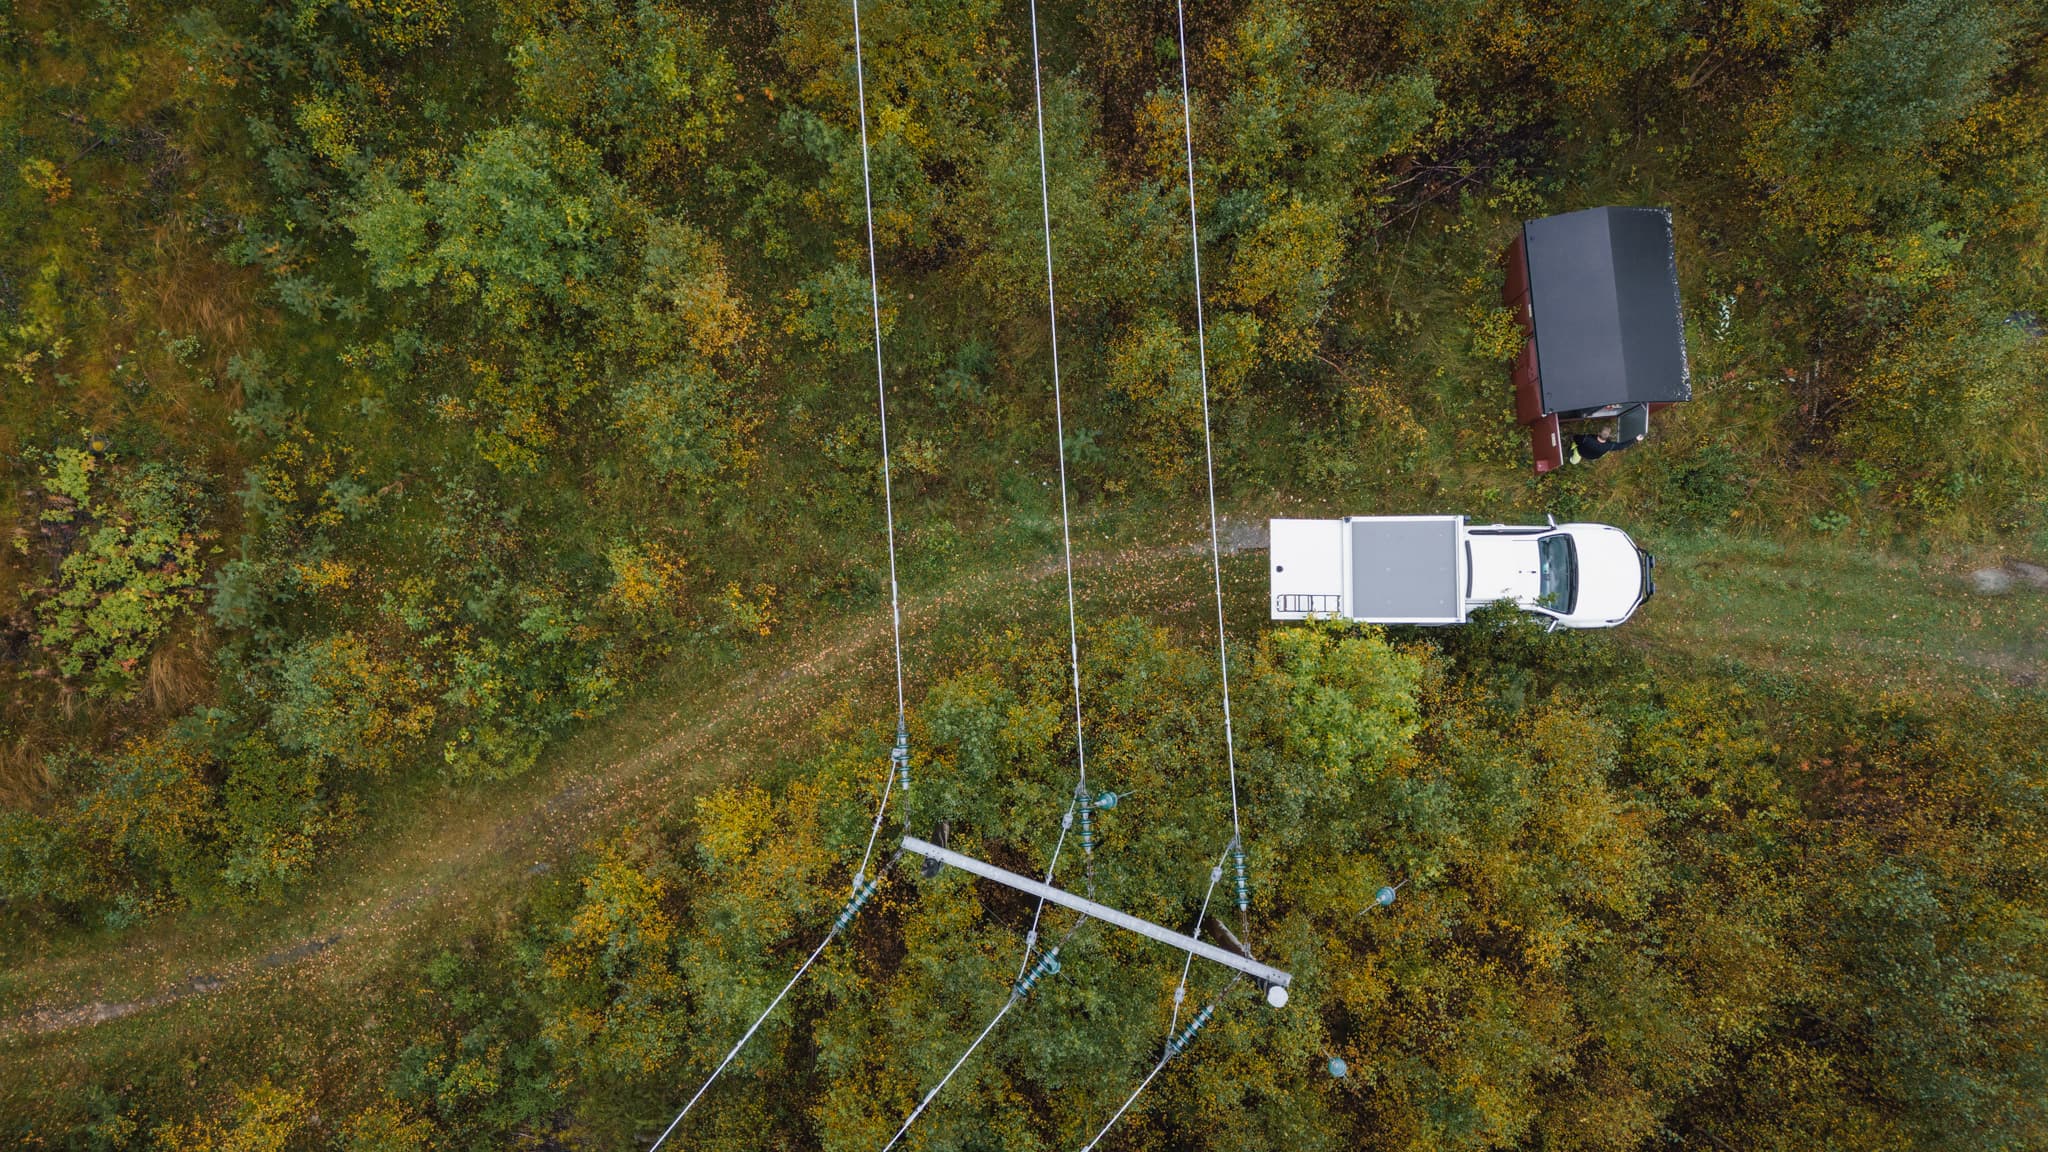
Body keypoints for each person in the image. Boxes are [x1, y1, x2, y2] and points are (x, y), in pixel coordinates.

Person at [1569, 426, 1643, 464]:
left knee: (1575, 453)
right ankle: (1574, 460)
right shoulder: (1609, 446)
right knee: (1605, 451)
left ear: (1598, 433)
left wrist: (1573, 437)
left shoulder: (1587, 438)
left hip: (1580, 452)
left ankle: (1571, 455)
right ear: (1608, 436)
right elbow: (1622, 446)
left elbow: (1575, 438)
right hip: (1593, 457)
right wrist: (1635, 439)